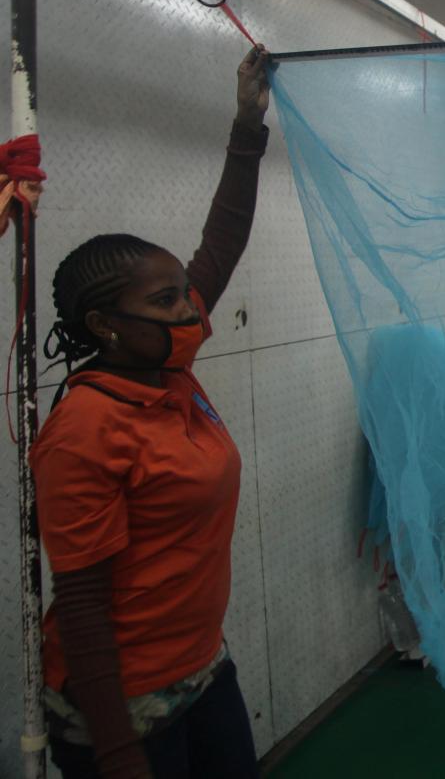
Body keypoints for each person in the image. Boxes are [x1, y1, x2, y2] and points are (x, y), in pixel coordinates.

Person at [31, 45, 272, 779]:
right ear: (105, 325)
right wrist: (115, 749)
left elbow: (220, 242)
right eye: (164, 301)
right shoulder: (86, 428)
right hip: (122, 706)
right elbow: (81, 605)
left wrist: (246, 124)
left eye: (181, 294)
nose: (187, 309)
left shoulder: (167, 369)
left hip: (202, 669)